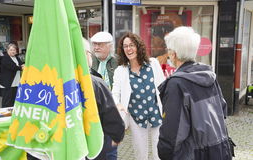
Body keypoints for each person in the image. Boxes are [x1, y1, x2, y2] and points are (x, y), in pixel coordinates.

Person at [157, 26, 232, 160]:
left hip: (195, 154)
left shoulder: (177, 84)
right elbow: (222, 112)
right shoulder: (209, 76)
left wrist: (164, 153)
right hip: (219, 150)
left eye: (169, 50)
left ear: (173, 54)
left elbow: (171, 134)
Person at [112, 32, 165, 160]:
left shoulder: (153, 64)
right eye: (125, 46)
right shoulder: (121, 70)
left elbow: (163, 87)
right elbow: (115, 93)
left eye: (132, 45)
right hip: (136, 118)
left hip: (156, 115)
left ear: (138, 46)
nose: (129, 49)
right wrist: (118, 104)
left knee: (160, 153)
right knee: (140, 154)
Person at [83, 38, 125, 160]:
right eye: (93, 46)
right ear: (85, 54)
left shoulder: (59, 83)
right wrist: (117, 136)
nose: (96, 48)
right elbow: (112, 118)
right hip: (98, 142)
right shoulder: (95, 83)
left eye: (99, 45)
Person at [0, 43, 24, 108]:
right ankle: (4, 115)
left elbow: (21, 64)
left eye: (14, 50)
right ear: (7, 50)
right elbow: (12, 67)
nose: (13, 51)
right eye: (11, 50)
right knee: (7, 101)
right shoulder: (5, 58)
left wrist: (22, 66)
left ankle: (12, 115)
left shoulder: (16, 58)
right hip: (7, 83)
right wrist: (20, 67)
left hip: (16, 82)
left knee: (13, 100)